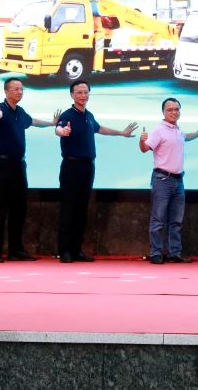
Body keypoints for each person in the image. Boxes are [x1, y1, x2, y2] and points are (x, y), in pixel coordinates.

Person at [55, 80, 138, 263]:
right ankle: (65, 251)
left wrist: (121, 133)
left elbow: (99, 129)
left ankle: (76, 250)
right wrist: (63, 131)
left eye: (86, 92)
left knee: (81, 210)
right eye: (79, 92)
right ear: (72, 95)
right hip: (71, 166)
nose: (83, 95)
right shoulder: (67, 115)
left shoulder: (89, 115)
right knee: (68, 208)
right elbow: (58, 128)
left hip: (87, 166)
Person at [0, 77, 58, 263]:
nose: (20, 92)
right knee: (0, 208)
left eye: (21, 89)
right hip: (3, 165)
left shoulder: (20, 111)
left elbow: (32, 121)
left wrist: (51, 123)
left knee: (19, 208)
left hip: (19, 165)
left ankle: (16, 250)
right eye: (16, 89)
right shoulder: (0, 109)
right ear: (6, 91)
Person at [139, 97, 198, 264]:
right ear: (163, 112)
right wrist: (141, 140)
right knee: (158, 219)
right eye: (170, 110)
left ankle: (174, 253)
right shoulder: (158, 130)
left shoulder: (177, 129)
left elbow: (185, 137)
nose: (174, 112)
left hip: (178, 180)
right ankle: (156, 253)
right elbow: (145, 148)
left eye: (176, 109)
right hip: (162, 179)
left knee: (176, 220)